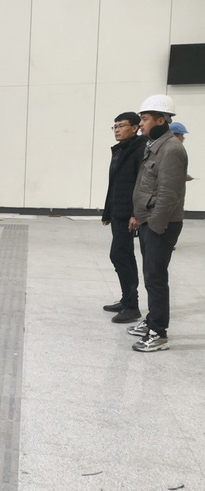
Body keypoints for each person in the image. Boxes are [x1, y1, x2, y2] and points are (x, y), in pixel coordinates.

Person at [127, 95, 188, 352]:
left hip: (160, 224)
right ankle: (152, 319)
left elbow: (168, 194)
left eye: (144, 119)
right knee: (151, 276)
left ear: (160, 120)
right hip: (148, 220)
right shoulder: (155, 145)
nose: (140, 124)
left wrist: (154, 225)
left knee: (156, 278)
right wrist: (139, 216)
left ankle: (158, 332)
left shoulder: (171, 149)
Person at [101, 112, 146, 324]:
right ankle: (127, 300)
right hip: (118, 212)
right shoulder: (121, 149)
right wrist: (107, 211)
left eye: (121, 126)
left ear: (135, 128)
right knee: (124, 255)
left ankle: (132, 306)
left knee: (119, 255)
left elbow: (141, 185)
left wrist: (136, 214)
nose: (117, 130)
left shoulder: (140, 149)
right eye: (115, 126)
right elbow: (115, 184)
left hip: (129, 214)